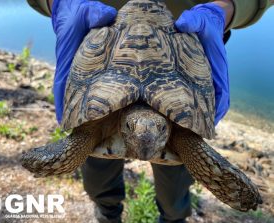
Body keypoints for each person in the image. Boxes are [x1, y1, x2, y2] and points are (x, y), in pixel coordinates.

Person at [27, 0, 273, 222]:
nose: (145, 138)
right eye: (132, 128)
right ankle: (107, 213)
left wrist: (229, 7)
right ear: (124, 124)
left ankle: (172, 218)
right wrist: (58, 4)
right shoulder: (97, 124)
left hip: (187, 29)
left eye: (159, 128)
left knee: (174, 193)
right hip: (98, 23)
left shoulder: (179, 135)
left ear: (166, 127)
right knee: (97, 182)